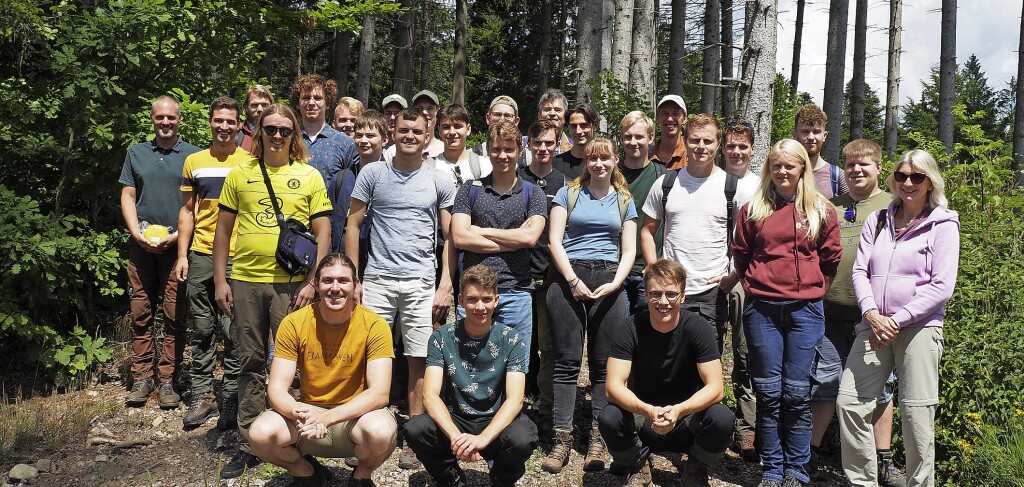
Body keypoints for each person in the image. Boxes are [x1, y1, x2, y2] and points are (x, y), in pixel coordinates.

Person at [213, 103, 333, 479]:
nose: (277, 136)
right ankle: (250, 439)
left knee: (293, 363)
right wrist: (221, 280)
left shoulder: (309, 175)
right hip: (246, 279)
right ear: (258, 132)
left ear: (294, 134)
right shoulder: (239, 173)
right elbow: (222, 231)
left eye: (284, 130)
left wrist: (312, 281)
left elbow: (323, 232)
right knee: (248, 358)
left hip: (291, 285)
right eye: (270, 129)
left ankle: (293, 437)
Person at [838, 149, 959, 487]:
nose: (908, 182)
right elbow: (861, 270)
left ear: (930, 181)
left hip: (920, 328)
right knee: (849, 402)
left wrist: (898, 319)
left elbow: (942, 285)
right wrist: (872, 313)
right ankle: (862, 481)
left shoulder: (944, 223)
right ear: (893, 179)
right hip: (874, 325)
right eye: (902, 175)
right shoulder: (878, 220)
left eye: (917, 176)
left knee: (916, 414)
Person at [345, 107, 457, 470]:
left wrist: (445, 284)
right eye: (404, 130)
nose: (410, 136)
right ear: (392, 132)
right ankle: (363, 430)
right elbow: (353, 224)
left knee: (419, 360)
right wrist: (354, 278)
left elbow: (451, 236)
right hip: (377, 278)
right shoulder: (372, 173)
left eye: (417, 131)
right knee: (368, 357)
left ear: (428, 136)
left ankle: (414, 434)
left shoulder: (440, 179)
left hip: (422, 281)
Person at [728, 139, 842, 487]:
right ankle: (772, 469)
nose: (782, 171)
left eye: (789, 165)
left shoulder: (821, 210)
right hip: (762, 310)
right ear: (769, 169)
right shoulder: (753, 209)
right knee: (768, 391)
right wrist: (761, 285)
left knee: (796, 393)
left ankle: (797, 468)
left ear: (802, 169)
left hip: (805, 311)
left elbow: (830, 260)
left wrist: (807, 288)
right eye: (776, 165)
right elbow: (742, 255)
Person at [248, 254, 397, 487]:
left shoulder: (374, 325)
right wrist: (300, 413)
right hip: (307, 415)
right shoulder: (294, 323)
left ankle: (361, 476)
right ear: (316, 285)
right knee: (260, 433)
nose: (335, 288)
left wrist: (327, 418)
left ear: (356, 285)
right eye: (327, 281)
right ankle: (306, 472)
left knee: (382, 432)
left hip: (355, 417)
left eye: (343, 281)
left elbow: (379, 393)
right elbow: (276, 388)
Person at [807, 139, 904, 485]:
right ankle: (811, 455)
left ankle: (883, 460)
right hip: (829, 311)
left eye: (864, 164)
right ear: (843, 171)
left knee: (880, 388)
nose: (857, 170)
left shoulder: (893, 207)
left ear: (880, 168)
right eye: (850, 165)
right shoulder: (831, 206)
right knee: (824, 382)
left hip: (874, 317)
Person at [541, 136, 638, 474]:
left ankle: (597, 438)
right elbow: (554, 240)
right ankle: (562, 437)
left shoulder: (625, 200)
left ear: (615, 161)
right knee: (567, 363)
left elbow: (629, 250)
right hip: (569, 276)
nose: (598, 164)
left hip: (610, 279)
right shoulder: (568, 193)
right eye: (593, 159)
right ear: (586, 162)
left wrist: (616, 283)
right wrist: (572, 280)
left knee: (602, 367)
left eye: (605, 159)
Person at [600, 259, 735, 487]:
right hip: (643, 419)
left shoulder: (698, 327)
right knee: (609, 417)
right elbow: (612, 388)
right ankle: (637, 464)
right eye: (655, 294)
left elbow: (716, 388)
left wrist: (680, 410)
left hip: (686, 419)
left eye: (671, 294)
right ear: (646, 294)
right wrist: (649, 411)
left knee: (723, 418)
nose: (663, 302)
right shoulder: (630, 328)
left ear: (682, 296)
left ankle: (695, 464)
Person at [405, 264, 538, 487]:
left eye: (486, 299)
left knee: (523, 438)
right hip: (456, 417)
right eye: (472, 299)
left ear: (496, 300)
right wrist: (458, 438)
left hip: (495, 418)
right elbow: (429, 396)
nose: (479, 307)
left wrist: (482, 440)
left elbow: (516, 399)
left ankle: (502, 478)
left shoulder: (512, 339)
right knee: (416, 429)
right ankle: (451, 478)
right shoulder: (441, 337)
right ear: (460, 300)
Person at [640, 114, 758, 351]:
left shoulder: (733, 188)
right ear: (685, 141)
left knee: (706, 365)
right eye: (695, 140)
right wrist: (656, 270)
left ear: (718, 145)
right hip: (669, 291)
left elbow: (748, 240)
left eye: (708, 141)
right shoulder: (666, 183)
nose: (701, 147)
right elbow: (646, 230)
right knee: (666, 361)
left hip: (710, 292)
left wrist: (733, 276)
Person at [175, 96, 252, 430]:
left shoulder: (250, 161)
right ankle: (203, 394)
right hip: (202, 254)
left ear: (239, 125)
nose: (224, 127)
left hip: (239, 256)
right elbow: (187, 210)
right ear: (210, 122)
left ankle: (232, 397)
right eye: (218, 121)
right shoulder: (194, 161)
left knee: (234, 330)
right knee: (203, 329)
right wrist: (182, 254)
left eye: (230, 122)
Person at [120, 95, 201, 409]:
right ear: (152, 119)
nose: (165, 122)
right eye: (160, 118)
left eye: (171, 117)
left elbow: (197, 206)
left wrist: (180, 235)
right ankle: (142, 377)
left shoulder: (193, 155)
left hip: (177, 248)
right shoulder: (137, 153)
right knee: (141, 313)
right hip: (141, 249)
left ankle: (168, 380)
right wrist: (135, 232)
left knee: (174, 315)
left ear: (179, 120)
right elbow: (127, 195)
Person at [451, 120, 547, 362]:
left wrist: (480, 231)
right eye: (496, 149)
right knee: (468, 362)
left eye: (508, 149)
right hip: (474, 292)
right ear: (488, 150)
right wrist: (512, 241)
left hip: (516, 290)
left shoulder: (532, 193)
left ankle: (512, 402)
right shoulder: (470, 190)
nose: (502, 155)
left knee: (514, 363)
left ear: (519, 151)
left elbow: (530, 237)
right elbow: (460, 237)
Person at [517, 119, 567, 438]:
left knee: (548, 348)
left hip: (552, 275)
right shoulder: (518, 178)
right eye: (538, 143)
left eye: (550, 143)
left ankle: (547, 409)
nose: (544, 149)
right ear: (529, 145)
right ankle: (514, 405)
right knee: (519, 345)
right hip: (519, 273)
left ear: (558, 145)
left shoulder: (566, 182)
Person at [720, 120, 760, 461]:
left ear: (752, 149)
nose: (736, 151)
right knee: (706, 352)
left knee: (745, 355)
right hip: (709, 278)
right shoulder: (712, 181)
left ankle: (747, 429)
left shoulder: (762, 188)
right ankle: (709, 421)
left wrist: (738, 273)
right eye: (731, 145)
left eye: (742, 146)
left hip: (746, 282)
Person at [617, 111, 667, 314]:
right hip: (616, 270)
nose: (633, 142)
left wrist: (655, 266)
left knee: (648, 336)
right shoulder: (610, 174)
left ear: (651, 138)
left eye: (639, 136)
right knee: (616, 336)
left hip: (648, 269)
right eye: (628, 136)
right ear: (621, 139)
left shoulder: (663, 176)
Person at [327, 110, 388, 255]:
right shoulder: (341, 179)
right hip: (342, 257)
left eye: (370, 136)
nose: (363, 140)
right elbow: (329, 222)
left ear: (384, 140)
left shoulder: (393, 178)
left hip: (378, 260)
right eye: (359, 135)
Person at [290, 74, 359, 186]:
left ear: (327, 104)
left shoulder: (346, 144)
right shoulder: (288, 139)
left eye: (317, 98)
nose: (311, 103)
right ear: (298, 104)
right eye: (306, 98)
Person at [792, 104, 848, 198]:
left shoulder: (838, 177)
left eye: (816, 132)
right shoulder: (783, 174)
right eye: (805, 131)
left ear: (824, 136)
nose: (811, 137)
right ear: (794, 135)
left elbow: (850, 210)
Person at [436, 104, 492, 185]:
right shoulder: (429, 167)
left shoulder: (484, 165)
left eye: (457, 126)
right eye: (446, 127)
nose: (452, 132)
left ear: (468, 129)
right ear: (439, 131)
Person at [384, 90, 446, 160]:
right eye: (420, 108)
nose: (425, 112)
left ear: (437, 112)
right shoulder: (393, 151)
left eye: (430, 108)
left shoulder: (445, 149)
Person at [551, 102, 599, 179]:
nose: (578, 131)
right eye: (573, 126)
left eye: (584, 125)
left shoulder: (602, 164)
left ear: (595, 126)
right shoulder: (555, 164)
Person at [472, 95, 520, 160]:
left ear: (516, 121)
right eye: (497, 114)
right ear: (488, 118)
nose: (502, 119)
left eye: (508, 116)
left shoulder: (527, 158)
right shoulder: (473, 156)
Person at [650, 95, 688, 170]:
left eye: (676, 113)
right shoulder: (647, 156)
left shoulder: (692, 156)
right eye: (665, 113)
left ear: (684, 119)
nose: (670, 119)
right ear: (657, 118)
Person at [236, 84, 274, 152]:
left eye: (264, 105)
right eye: (254, 105)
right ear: (246, 107)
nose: (260, 109)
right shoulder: (236, 136)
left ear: (272, 106)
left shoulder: (282, 134)